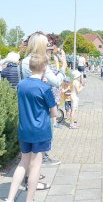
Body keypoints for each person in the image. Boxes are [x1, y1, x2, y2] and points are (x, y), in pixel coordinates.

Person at [6, 54, 57, 202]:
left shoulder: (21, 85)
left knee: (23, 163)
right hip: (40, 131)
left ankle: (10, 198)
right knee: (35, 166)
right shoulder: (45, 88)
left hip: (24, 130)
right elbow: (54, 113)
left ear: (30, 67)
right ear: (44, 67)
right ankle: (29, 199)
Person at [21, 32, 65, 166]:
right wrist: (63, 65)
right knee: (37, 150)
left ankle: (29, 176)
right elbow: (56, 81)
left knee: (26, 154)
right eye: (47, 45)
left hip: (26, 106)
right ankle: (34, 177)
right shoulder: (39, 61)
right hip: (40, 107)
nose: (49, 47)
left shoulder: (24, 61)